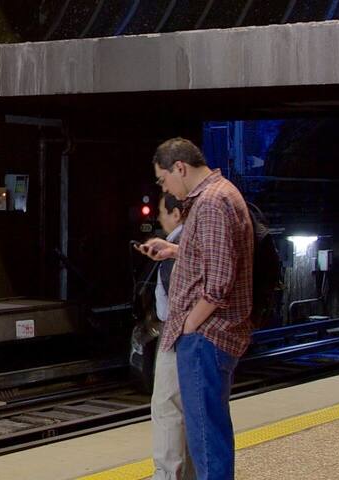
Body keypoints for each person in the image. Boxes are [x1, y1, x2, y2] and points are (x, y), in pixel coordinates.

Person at [140, 137, 253, 480]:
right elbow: (211, 256)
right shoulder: (219, 196)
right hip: (207, 335)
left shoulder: (213, 202)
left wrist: (190, 324)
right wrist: (175, 251)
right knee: (206, 432)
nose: (166, 188)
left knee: (206, 436)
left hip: (206, 335)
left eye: (163, 180)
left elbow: (218, 281)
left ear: (180, 167)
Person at [139, 193, 195, 480]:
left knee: (168, 409)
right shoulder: (193, 242)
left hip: (177, 335)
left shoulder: (180, 248)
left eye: (162, 212)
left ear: (176, 213)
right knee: (190, 412)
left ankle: (168, 475)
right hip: (191, 338)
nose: (159, 218)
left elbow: (174, 305)